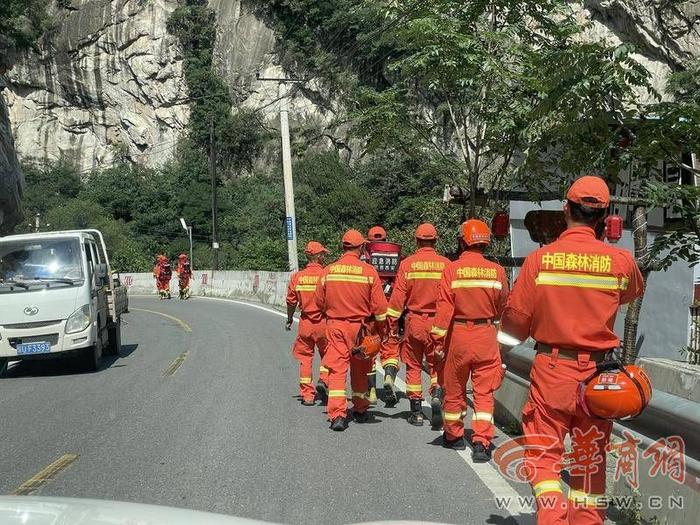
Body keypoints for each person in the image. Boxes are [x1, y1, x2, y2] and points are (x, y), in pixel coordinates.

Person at [499, 176, 644, 524]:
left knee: (545, 458)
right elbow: (629, 293)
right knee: (589, 464)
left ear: (566, 209)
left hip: (552, 371)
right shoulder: (621, 261)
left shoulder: (540, 261)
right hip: (598, 379)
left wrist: (505, 347)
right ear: (605, 216)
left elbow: (516, 320)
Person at [430, 220, 509, 460]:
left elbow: (444, 309)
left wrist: (437, 341)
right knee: (484, 392)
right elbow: (503, 304)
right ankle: (482, 442)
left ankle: (453, 436)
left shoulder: (452, 270)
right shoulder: (497, 271)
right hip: (486, 334)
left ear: (462, 240)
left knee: (454, 388)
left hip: (459, 335)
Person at [314, 229, 388, 431]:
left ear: (343, 247)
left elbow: (318, 302)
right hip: (360, 328)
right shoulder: (369, 272)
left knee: (337, 370)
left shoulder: (328, 271)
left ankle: (337, 415)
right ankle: (361, 409)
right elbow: (380, 309)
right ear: (362, 247)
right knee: (360, 369)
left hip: (335, 326)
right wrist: (380, 331)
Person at [386, 223, 450, 427]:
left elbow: (397, 299)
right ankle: (437, 393)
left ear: (416, 241)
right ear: (435, 241)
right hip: (439, 322)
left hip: (414, 321)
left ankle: (416, 412)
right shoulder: (447, 264)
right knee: (436, 363)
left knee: (413, 364)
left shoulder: (408, 264)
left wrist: (392, 325)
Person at [285, 241, 330, 406]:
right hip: (324, 322)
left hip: (305, 322)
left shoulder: (298, 277)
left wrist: (290, 319)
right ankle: (324, 380)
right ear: (319, 256)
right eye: (323, 254)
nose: (325, 256)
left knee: (305, 359)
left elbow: (291, 302)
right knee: (329, 354)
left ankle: (307, 395)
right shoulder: (326, 274)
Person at [364, 225, 401, 406]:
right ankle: (388, 376)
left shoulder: (364, 260)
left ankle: (371, 392)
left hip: (370, 314)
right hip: (390, 313)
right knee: (391, 348)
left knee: (369, 351)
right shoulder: (397, 260)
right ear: (386, 240)